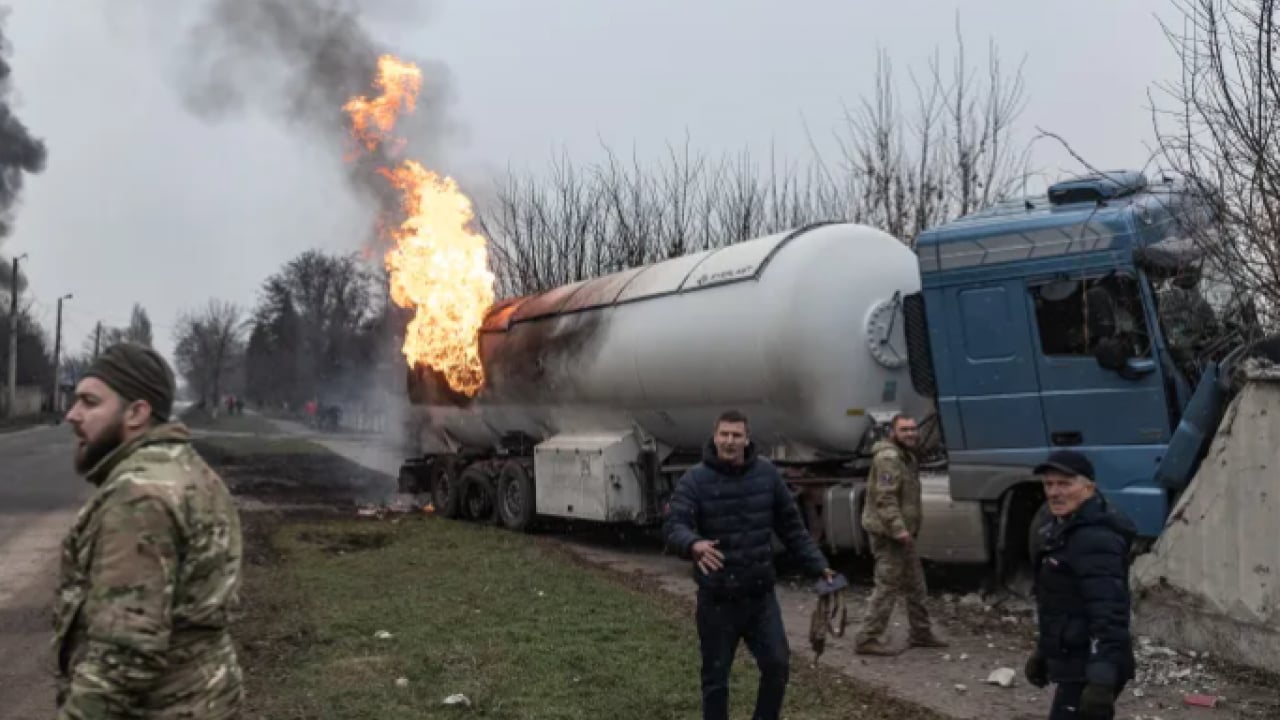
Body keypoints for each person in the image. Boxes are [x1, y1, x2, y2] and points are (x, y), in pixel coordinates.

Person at [55, 342, 244, 719]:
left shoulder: (139, 495)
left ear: (137, 412)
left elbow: (123, 657)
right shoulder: (192, 471)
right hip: (207, 698)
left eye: (90, 403)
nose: (72, 415)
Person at [665, 409, 834, 720]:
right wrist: (693, 544)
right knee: (715, 681)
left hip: (759, 598)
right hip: (717, 601)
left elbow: (793, 530)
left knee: (778, 666)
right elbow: (674, 525)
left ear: (747, 438)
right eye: (724, 435)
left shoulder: (767, 475)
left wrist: (819, 566)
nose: (730, 441)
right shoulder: (695, 480)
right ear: (714, 437)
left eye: (736, 435)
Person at [1025, 450, 1136, 720]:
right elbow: (1061, 603)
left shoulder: (1096, 539)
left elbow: (1109, 613)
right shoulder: (1061, 527)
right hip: (1075, 658)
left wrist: (1101, 680)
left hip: (1092, 664)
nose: (1054, 492)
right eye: (1049, 484)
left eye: (1065, 484)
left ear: (1089, 487)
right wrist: (1044, 650)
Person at [854, 413, 948, 654]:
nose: (911, 434)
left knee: (916, 584)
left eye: (913, 429)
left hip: (902, 534)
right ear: (892, 433)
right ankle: (867, 638)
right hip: (889, 535)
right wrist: (898, 529)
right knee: (887, 585)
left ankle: (921, 632)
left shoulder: (906, 456)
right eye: (904, 430)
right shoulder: (889, 458)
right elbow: (885, 498)